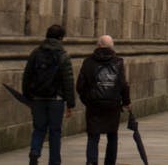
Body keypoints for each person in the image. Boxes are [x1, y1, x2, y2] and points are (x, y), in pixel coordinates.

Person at [22, 24, 75, 165]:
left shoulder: (35, 53)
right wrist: (70, 104)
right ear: (60, 38)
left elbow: (27, 76)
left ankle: (34, 152)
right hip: (56, 100)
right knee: (55, 132)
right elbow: (68, 81)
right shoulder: (63, 56)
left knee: (39, 129)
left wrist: (27, 96)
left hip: (38, 99)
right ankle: (54, 161)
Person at [76, 35, 130, 165]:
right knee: (112, 135)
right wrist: (126, 101)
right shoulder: (118, 62)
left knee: (93, 136)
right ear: (111, 46)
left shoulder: (88, 62)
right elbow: (123, 84)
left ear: (98, 45)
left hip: (94, 104)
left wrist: (87, 100)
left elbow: (80, 86)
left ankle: (91, 162)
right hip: (113, 104)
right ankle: (110, 162)